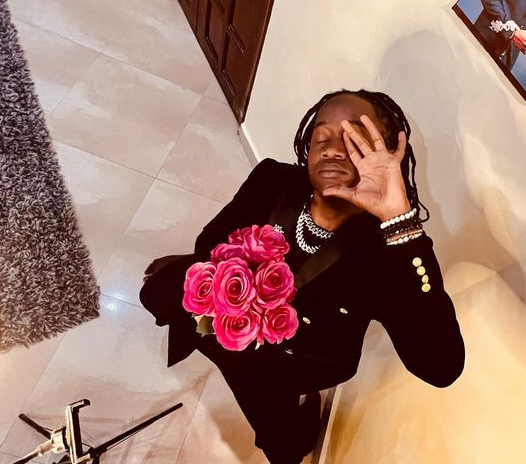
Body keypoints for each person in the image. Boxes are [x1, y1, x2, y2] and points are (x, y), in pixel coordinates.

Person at [139, 89, 465, 464]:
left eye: (354, 139)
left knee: (280, 440)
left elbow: (440, 367)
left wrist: (400, 223)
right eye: (321, 136)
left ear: (386, 154)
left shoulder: (385, 253)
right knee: (161, 295)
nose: (332, 148)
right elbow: (209, 242)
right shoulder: (272, 179)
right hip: (223, 334)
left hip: (299, 365)